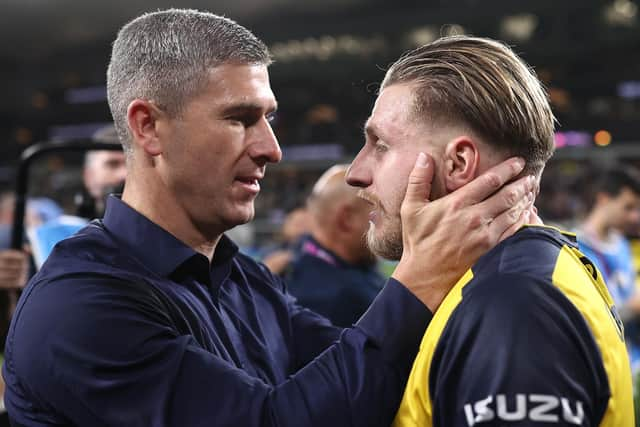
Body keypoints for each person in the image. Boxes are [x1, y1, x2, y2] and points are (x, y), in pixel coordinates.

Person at [2, 10, 536, 426]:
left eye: (269, 119)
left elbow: (358, 374)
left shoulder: (240, 277)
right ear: (149, 128)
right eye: (240, 119)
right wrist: (420, 278)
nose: (272, 148)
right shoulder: (80, 306)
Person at [345, 36, 634, 426]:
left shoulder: (514, 306)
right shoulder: (515, 278)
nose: (355, 173)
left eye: (379, 144)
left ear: (459, 163)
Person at [286, 164, 384, 326]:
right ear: (347, 219)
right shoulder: (342, 299)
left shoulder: (294, 264)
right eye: (379, 210)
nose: (387, 222)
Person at [577, 167, 640, 373]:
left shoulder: (622, 244)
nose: (634, 217)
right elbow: (584, 319)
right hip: (601, 365)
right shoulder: (575, 248)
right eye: (628, 207)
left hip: (630, 360)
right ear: (603, 199)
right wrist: (632, 307)